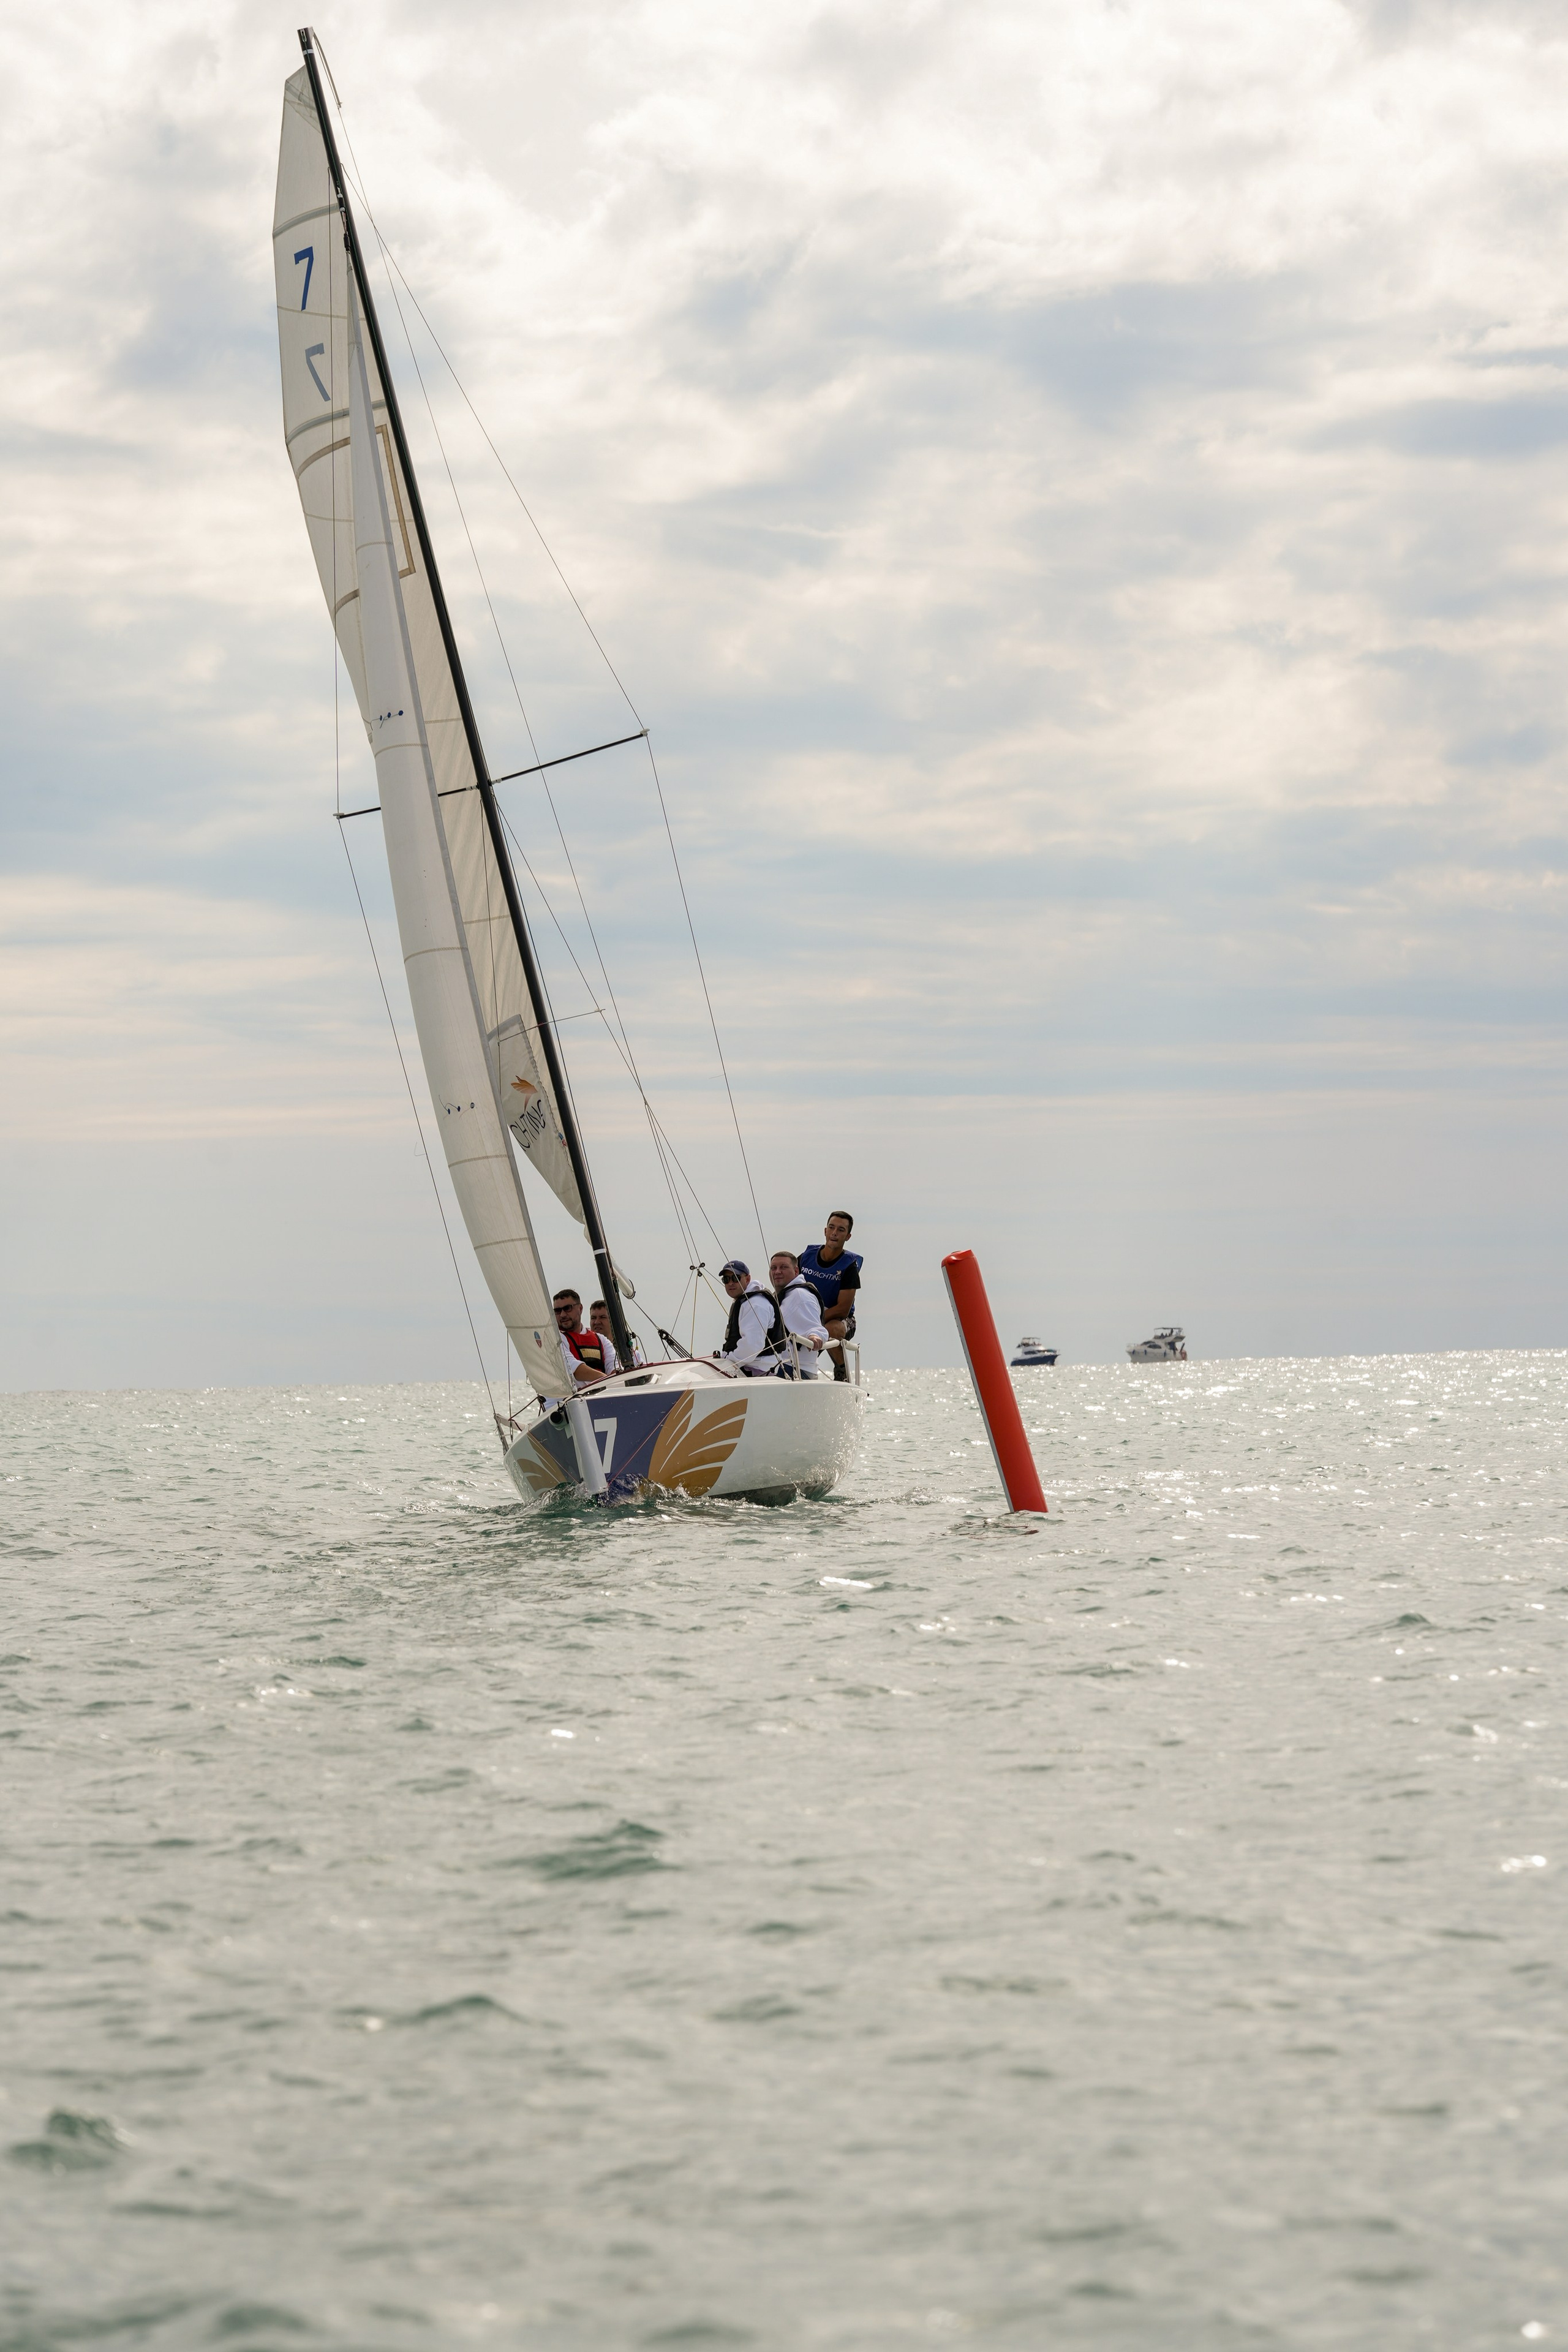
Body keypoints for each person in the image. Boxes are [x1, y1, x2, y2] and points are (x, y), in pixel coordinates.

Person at [797, 1212, 863, 1381]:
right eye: (832, 1228)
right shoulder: (806, 1257)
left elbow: (843, 1309)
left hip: (841, 1320)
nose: (835, 1233)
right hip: (807, 1317)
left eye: (841, 1230)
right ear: (826, 1231)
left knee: (829, 1329)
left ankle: (841, 1372)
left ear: (848, 1237)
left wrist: (813, 1320)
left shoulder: (849, 1267)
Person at [715, 1259, 788, 1375]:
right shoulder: (746, 1301)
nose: (731, 1283)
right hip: (747, 1367)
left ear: (748, 1279)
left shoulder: (756, 1304)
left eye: (735, 1278)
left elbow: (752, 1346)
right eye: (726, 1280)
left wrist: (730, 1361)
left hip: (757, 1371)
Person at [769, 1251, 828, 1378]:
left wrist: (814, 1336)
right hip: (784, 1367)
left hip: (796, 1371)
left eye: (783, 1267)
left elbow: (817, 1329)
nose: (777, 1271)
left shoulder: (800, 1296)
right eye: (774, 1268)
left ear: (796, 1271)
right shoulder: (784, 1296)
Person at [552, 1289, 612, 1391]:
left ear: (580, 1309)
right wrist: (610, 1381)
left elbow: (614, 1367)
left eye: (567, 1308)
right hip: (566, 1404)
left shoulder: (601, 1340)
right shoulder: (554, 1339)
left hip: (600, 1398)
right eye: (558, 1311)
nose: (562, 1315)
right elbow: (575, 1370)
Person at [590, 1298, 644, 1371]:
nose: (597, 1322)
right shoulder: (583, 1348)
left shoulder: (631, 1355)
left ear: (613, 1321)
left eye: (602, 1317)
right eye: (593, 1318)